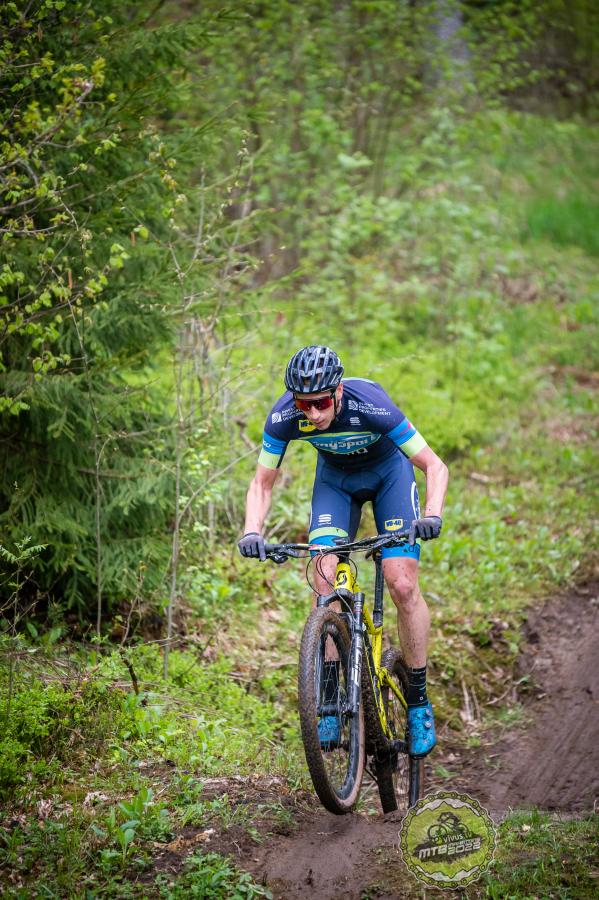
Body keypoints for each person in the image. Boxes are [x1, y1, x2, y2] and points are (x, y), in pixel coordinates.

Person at [238, 345, 448, 757]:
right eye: (304, 404)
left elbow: (434, 466)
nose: (313, 414)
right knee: (323, 578)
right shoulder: (284, 416)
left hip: (389, 476)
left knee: (402, 583)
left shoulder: (371, 405)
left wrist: (432, 514)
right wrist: (251, 531)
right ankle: (331, 696)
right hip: (336, 482)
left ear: (337, 391)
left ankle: (419, 700)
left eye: (320, 402)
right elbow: (262, 483)